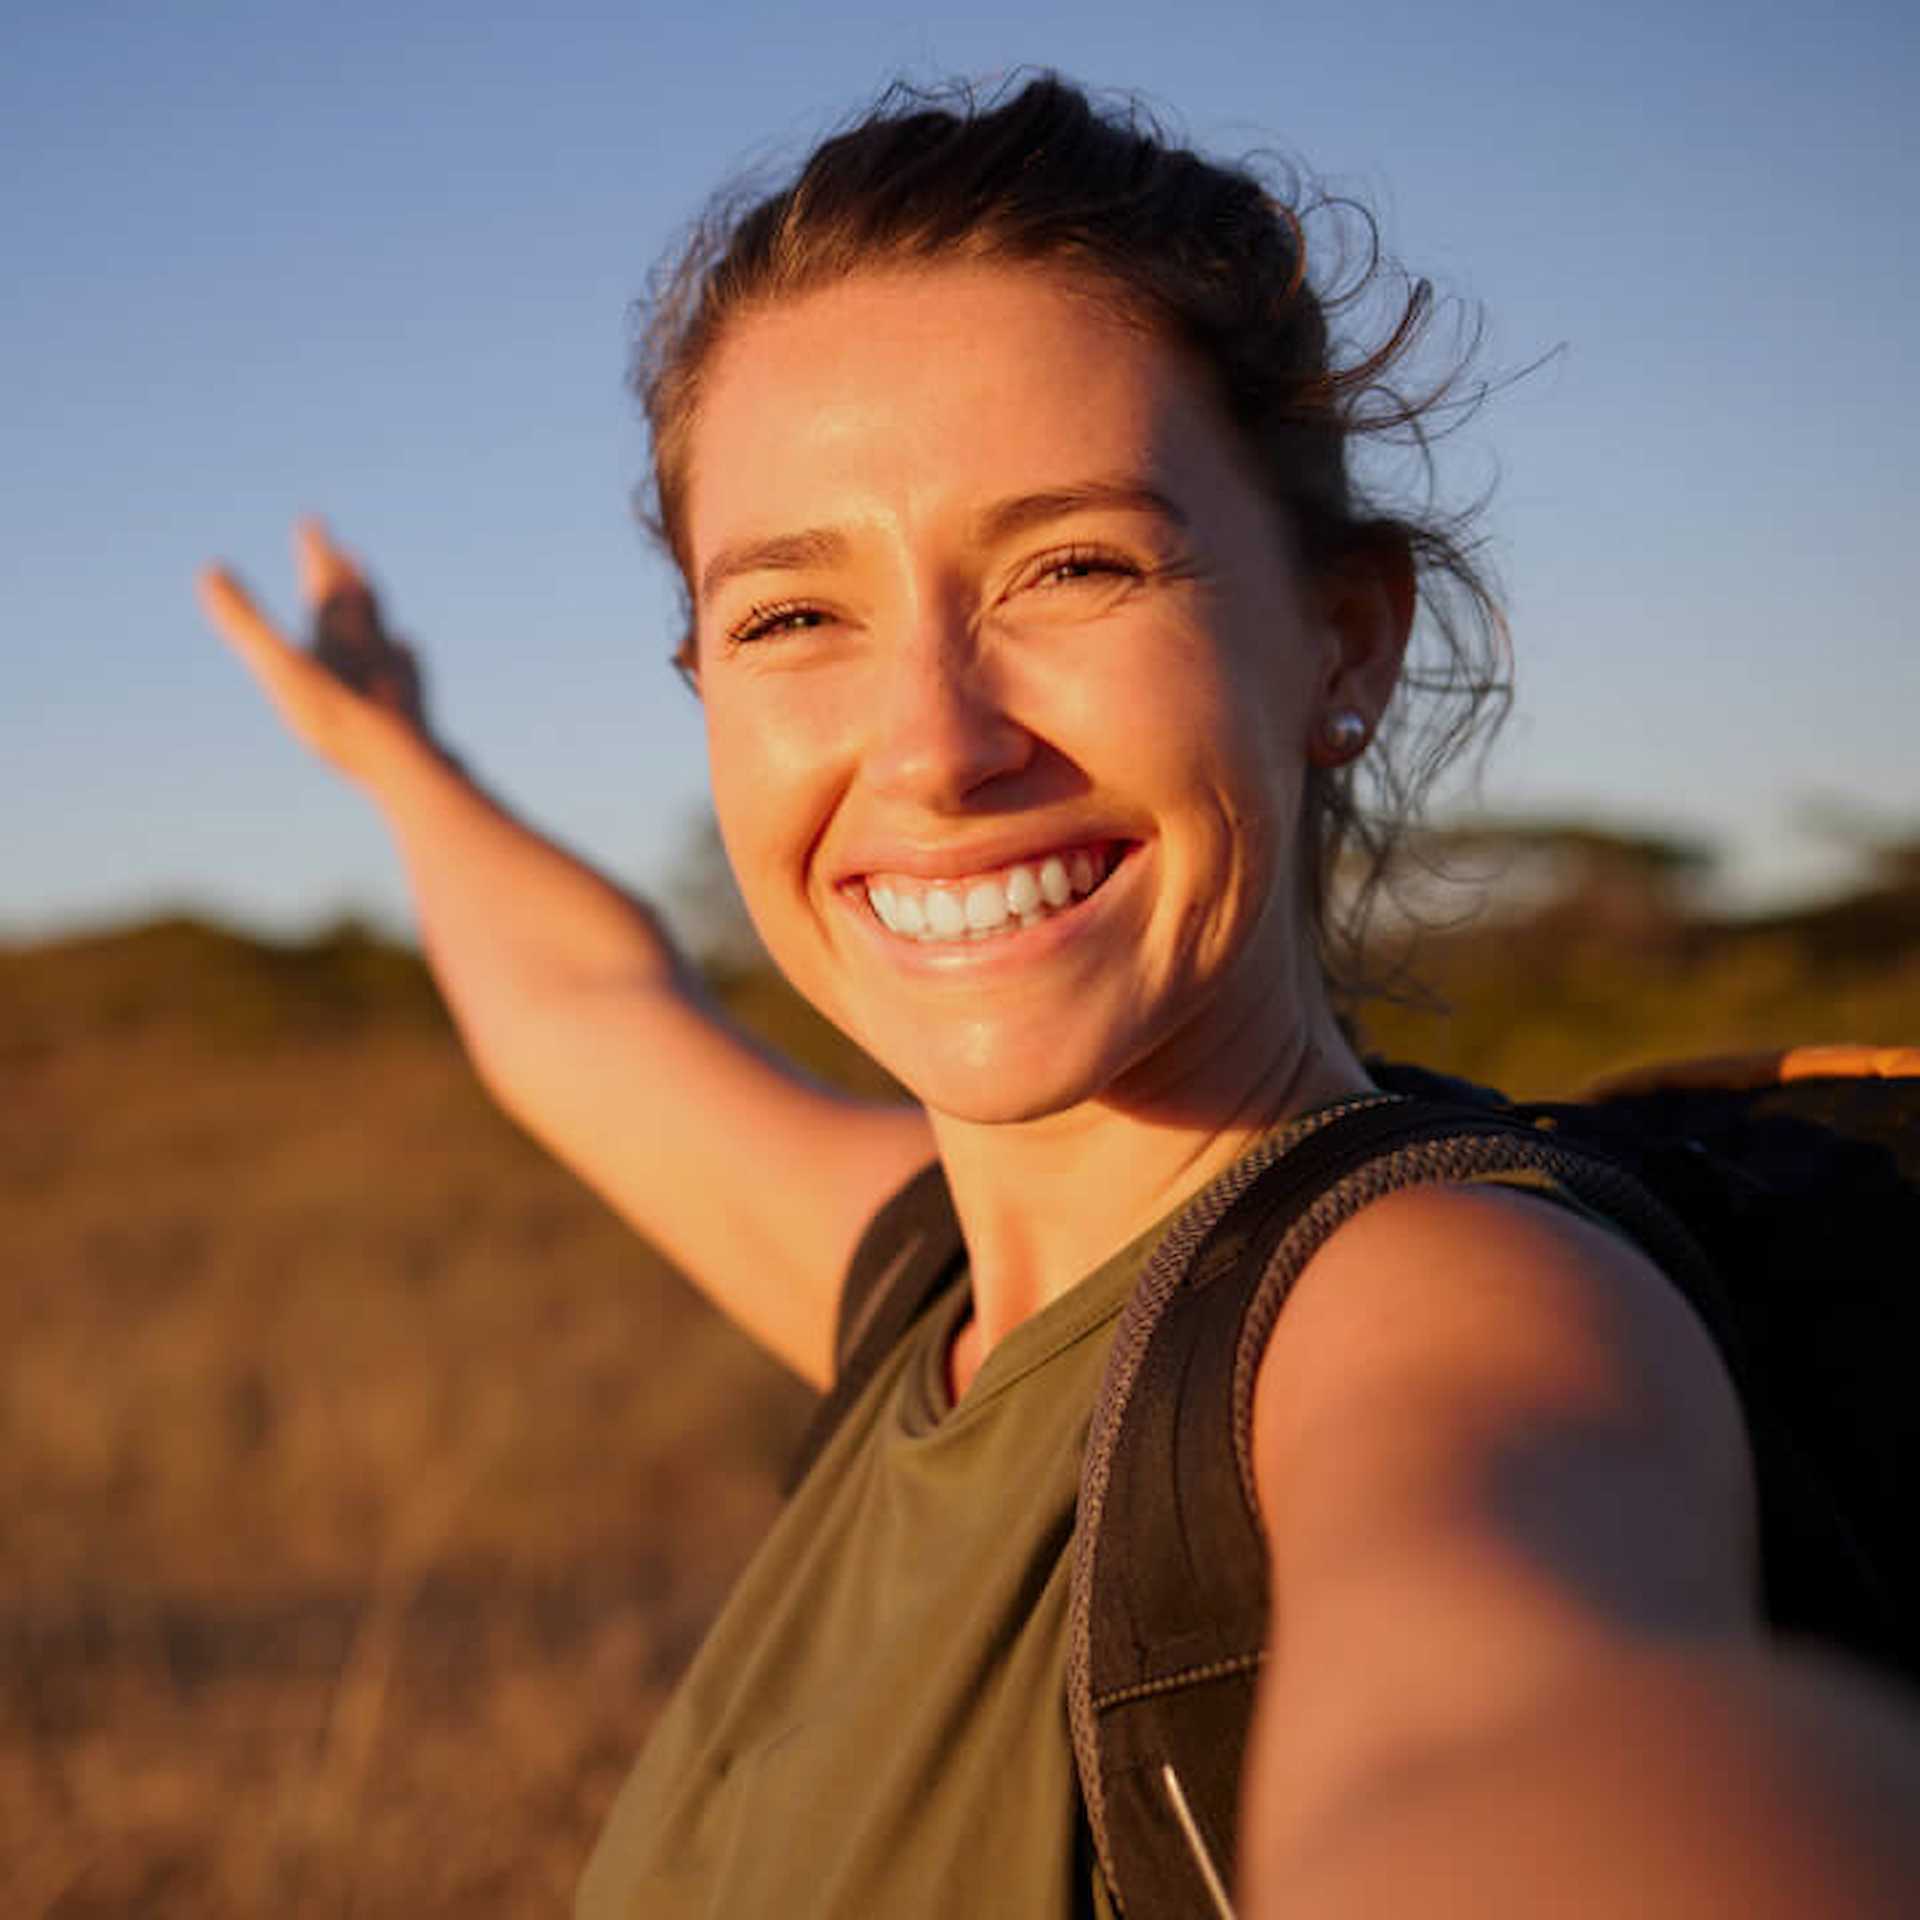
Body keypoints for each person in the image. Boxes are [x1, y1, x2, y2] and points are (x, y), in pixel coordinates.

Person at [199, 73, 1920, 1920]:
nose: (933, 748)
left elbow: (1513, 1724)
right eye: (793, 616)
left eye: (1073, 565)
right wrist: (396, 761)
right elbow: (582, 1020)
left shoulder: (1427, 1301)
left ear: (1342, 641)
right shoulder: (933, 1288)